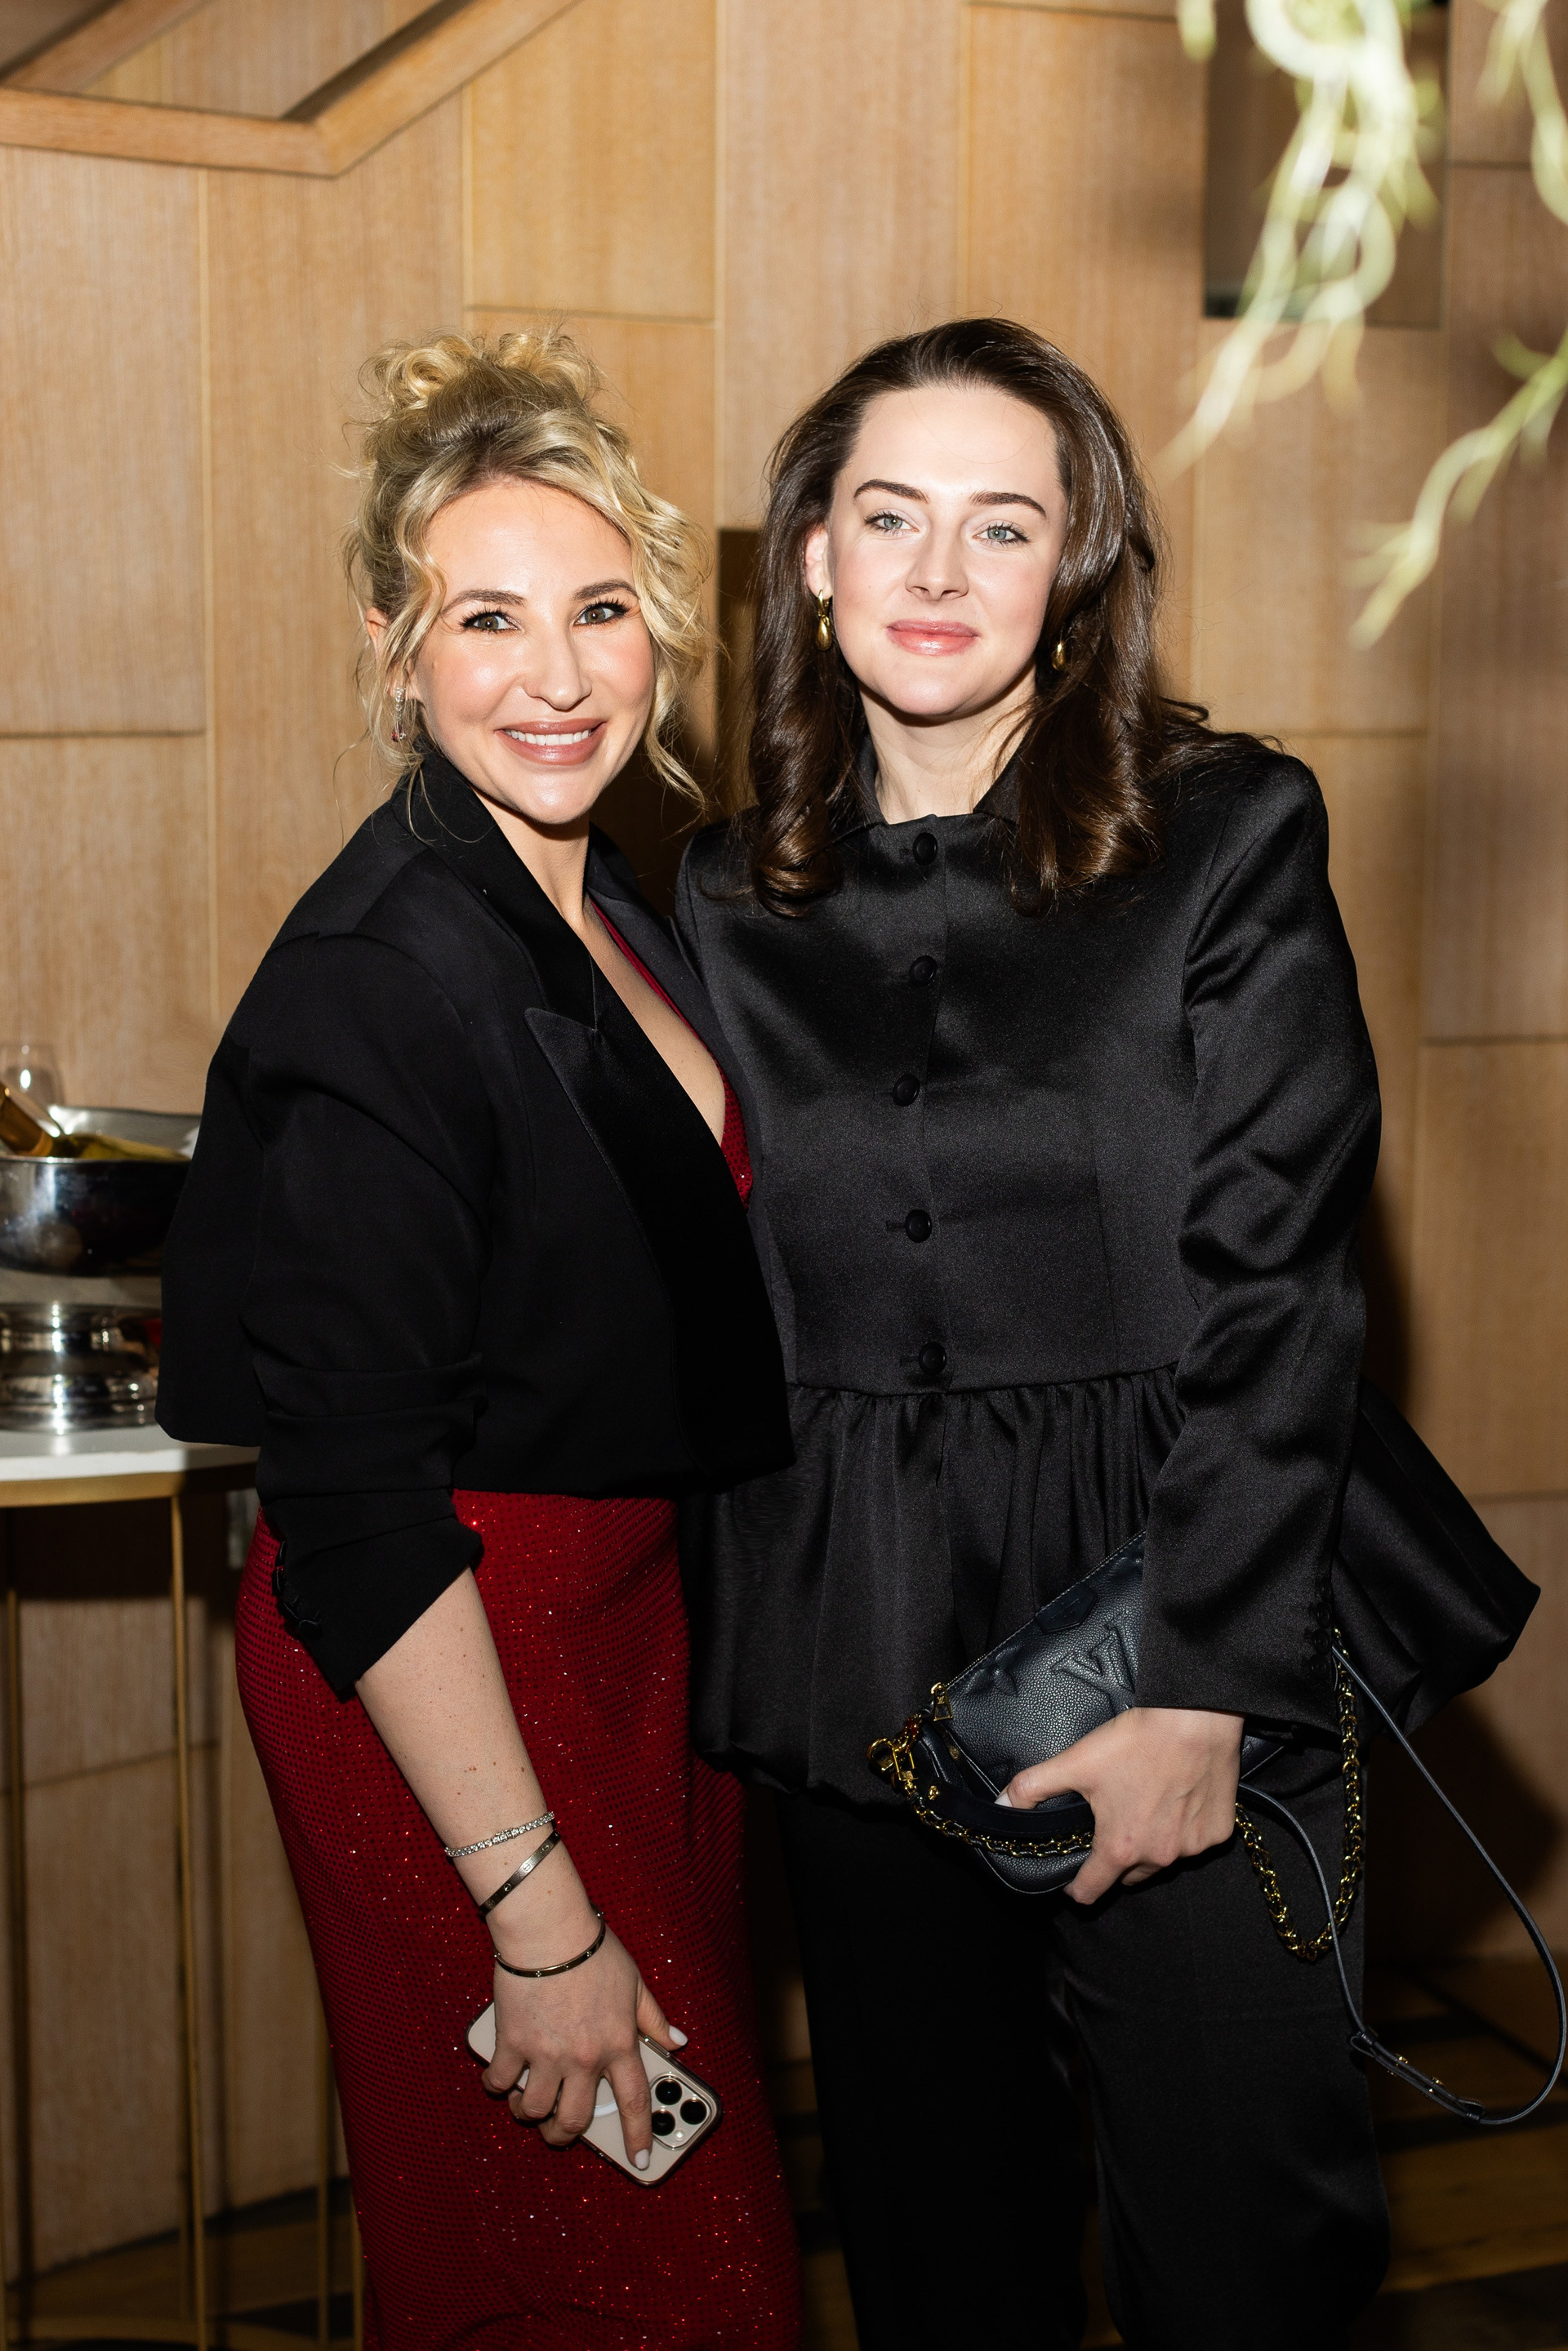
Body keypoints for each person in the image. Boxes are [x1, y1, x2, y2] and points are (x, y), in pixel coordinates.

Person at [675, 318, 1392, 2351]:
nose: (936, 571)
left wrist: (1202, 1688)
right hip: (854, 1637)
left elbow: (1288, 1285)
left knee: (1249, 2259)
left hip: (1171, 1603)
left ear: (1073, 570)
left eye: (1001, 526)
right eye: (889, 516)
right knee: (940, 2260)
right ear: (813, 555)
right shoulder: (721, 892)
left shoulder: (1227, 835)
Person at [158, 331, 802, 2351]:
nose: (557, 674)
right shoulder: (383, 971)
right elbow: (351, 1496)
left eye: (600, 610)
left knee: (642, 2262)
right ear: (394, 648)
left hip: (618, 1644)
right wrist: (531, 1908)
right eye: (487, 618)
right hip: (451, 1668)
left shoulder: (611, 904)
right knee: (647, 2275)